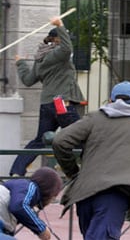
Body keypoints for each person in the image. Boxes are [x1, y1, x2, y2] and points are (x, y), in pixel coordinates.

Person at [52, 81, 130, 240]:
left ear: (110, 100)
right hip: (114, 198)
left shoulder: (94, 119)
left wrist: (73, 172)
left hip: (84, 195)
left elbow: (60, 141)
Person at [10, 16, 85, 177]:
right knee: (83, 136)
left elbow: (29, 80)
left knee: (38, 141)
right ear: (56, 39)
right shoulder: (58, 54)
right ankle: (88, 172)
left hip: (47, 105)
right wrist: (60, 25)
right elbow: (67, 49)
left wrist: (21, 63)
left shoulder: (40, 58)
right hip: (61, 103)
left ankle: (16, 172)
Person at [0, 167, 63, 240]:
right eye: (53, 197)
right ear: (48, 191)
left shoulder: (21, 188)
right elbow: (18, 206)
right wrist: (41, 229)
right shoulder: (30, 186)